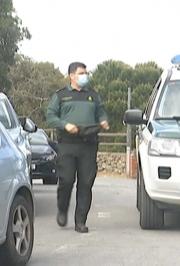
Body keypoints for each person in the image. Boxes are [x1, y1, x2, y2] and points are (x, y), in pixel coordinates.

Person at [46, 62, 109, 233]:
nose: (85, 76)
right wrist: (65, 125)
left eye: (86, 73)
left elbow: (101, 112)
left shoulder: (93, 96)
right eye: (82, 73)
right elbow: (50, 116)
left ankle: (80, 221)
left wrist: (103, 120)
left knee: (86, 183)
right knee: (66, 180)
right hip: (67, 143)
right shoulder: (61, 95)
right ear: (71, 76)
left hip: (88, 144)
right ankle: (62, 209)